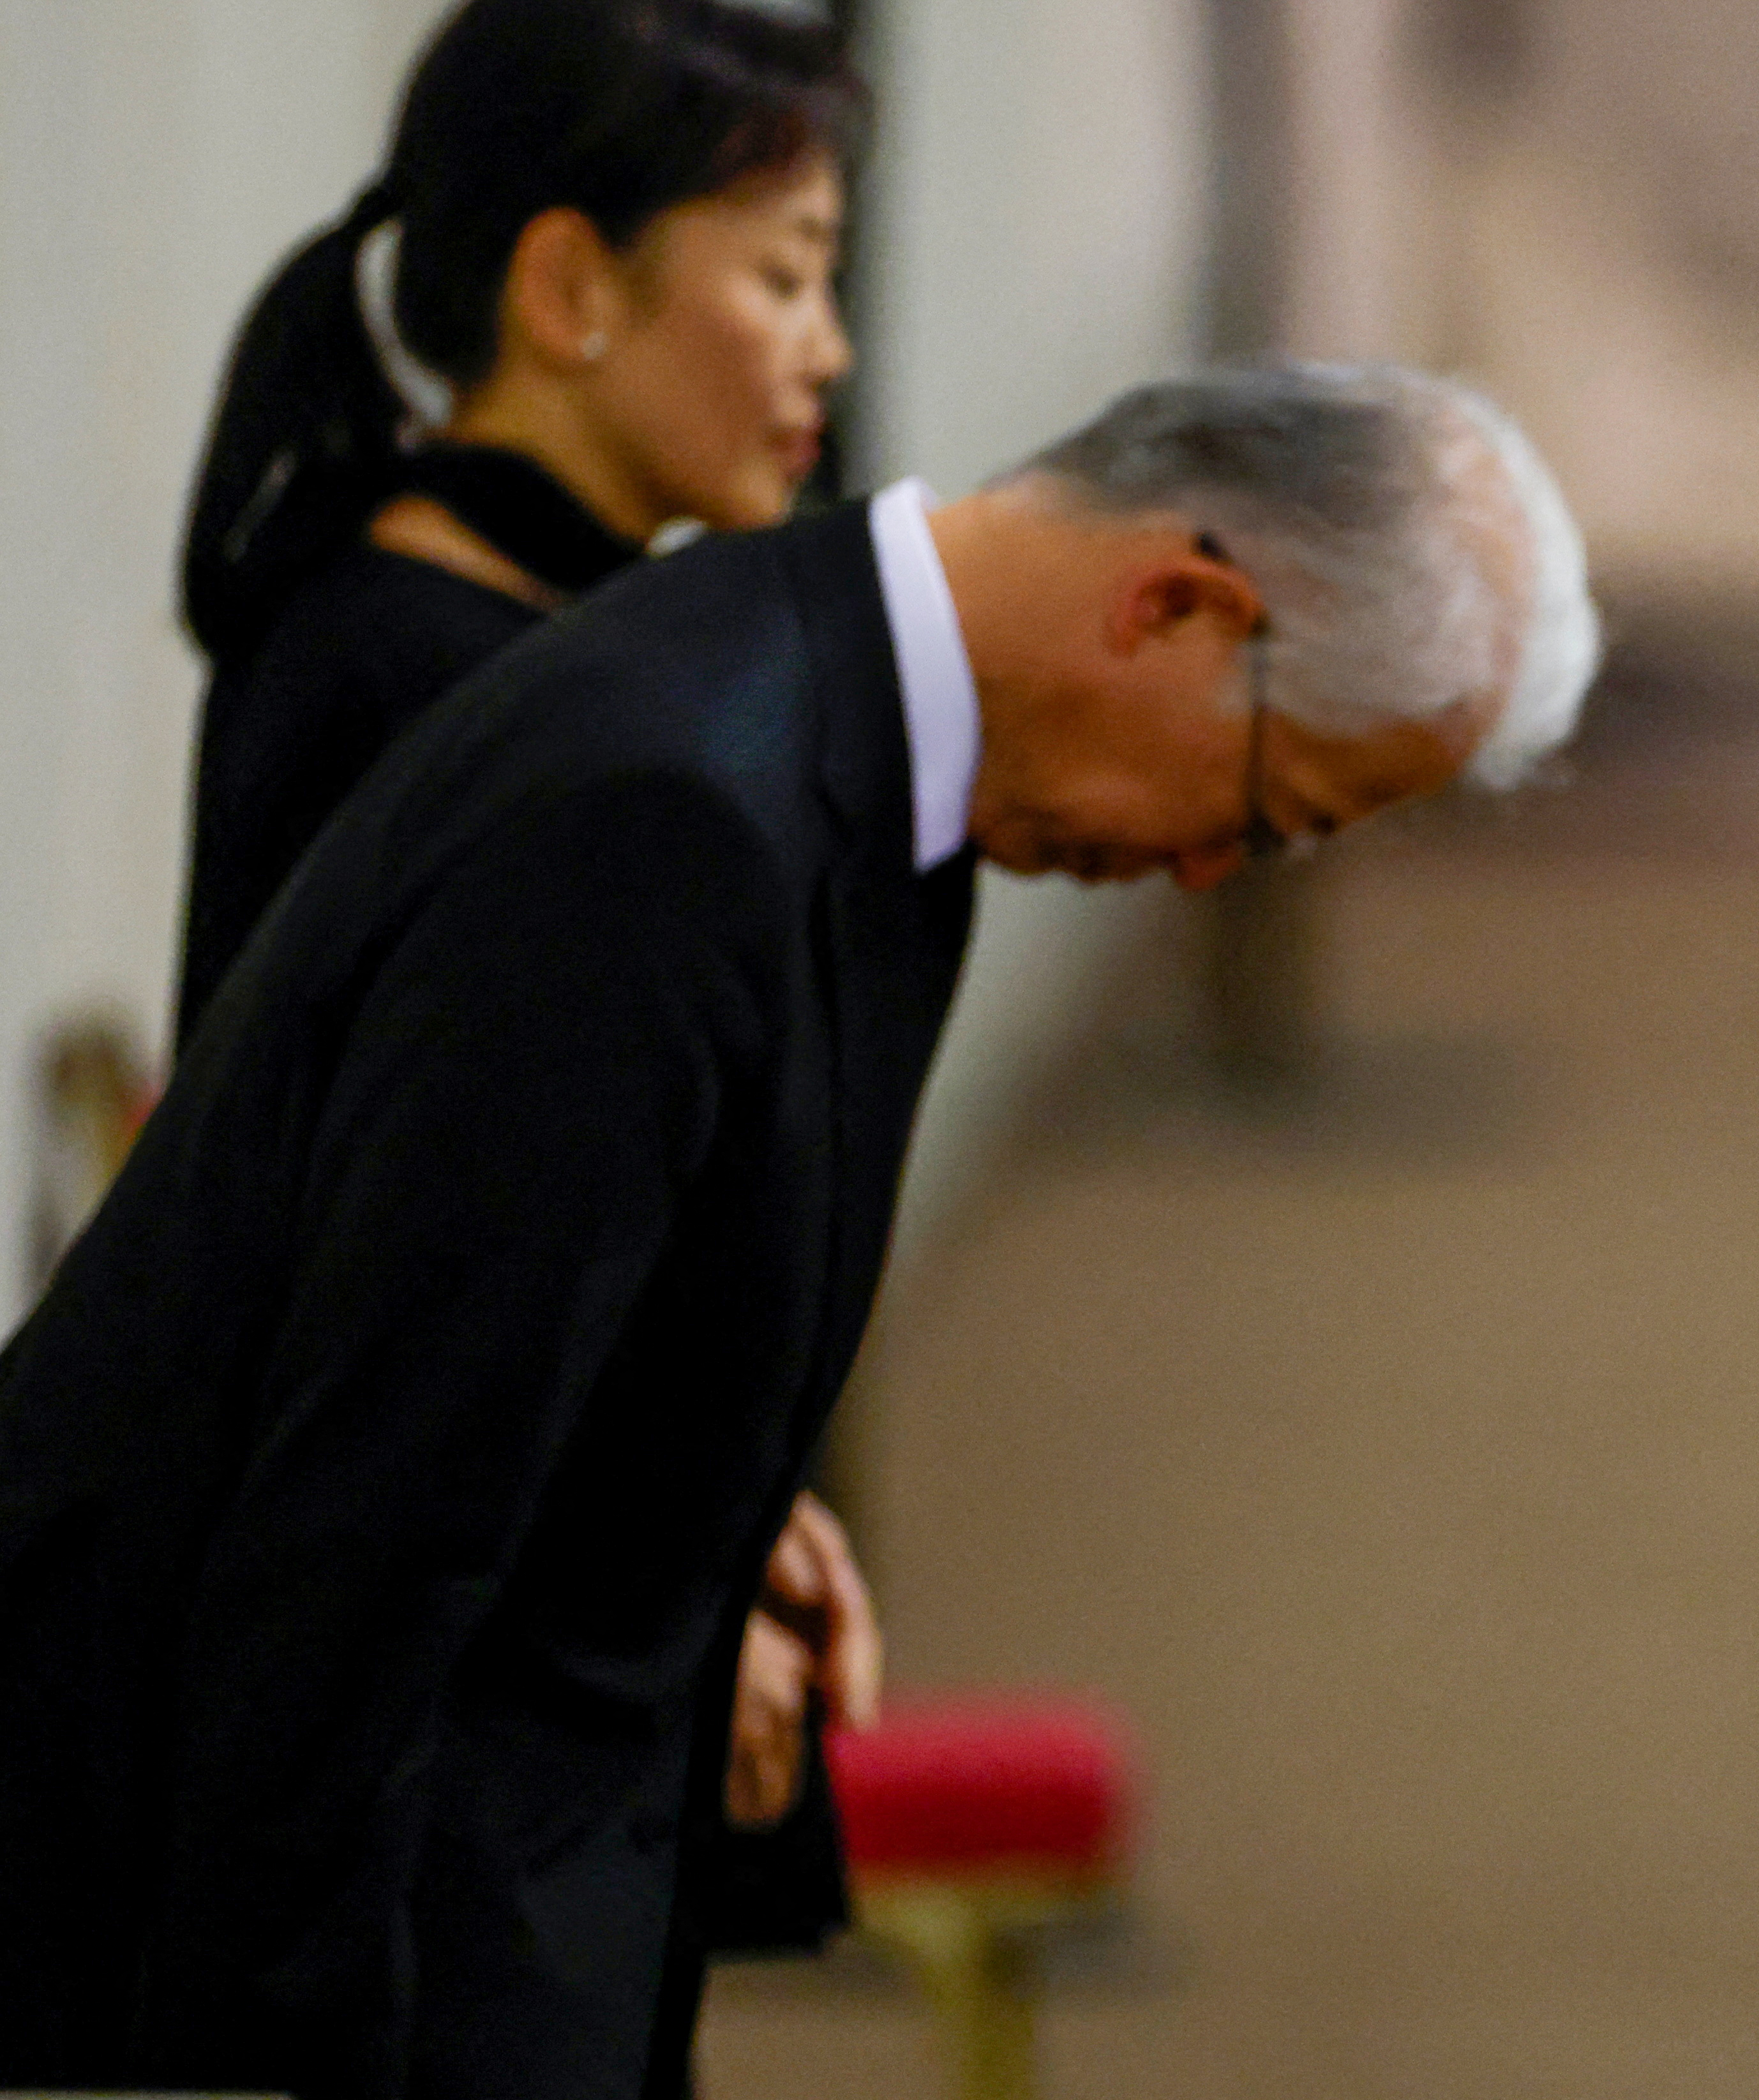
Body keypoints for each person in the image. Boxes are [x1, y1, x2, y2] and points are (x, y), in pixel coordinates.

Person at [0, 362, 1599, 2099]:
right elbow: (358, 1543)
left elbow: (532, 1299)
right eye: (1263, 812)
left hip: (514, 1871)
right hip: (256, 1921)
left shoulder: (853, 738)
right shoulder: (669, 805)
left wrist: (710, 1501)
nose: (1212, 874)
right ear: (1179, 607)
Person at [163, 0, 888, 2004]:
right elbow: (423, 1286)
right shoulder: (419, 677)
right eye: (781, 275)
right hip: (428, 1687)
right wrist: (671, 1566)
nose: (824, 350)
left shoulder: (504, 644)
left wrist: (735, 1504)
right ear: (570, 291)